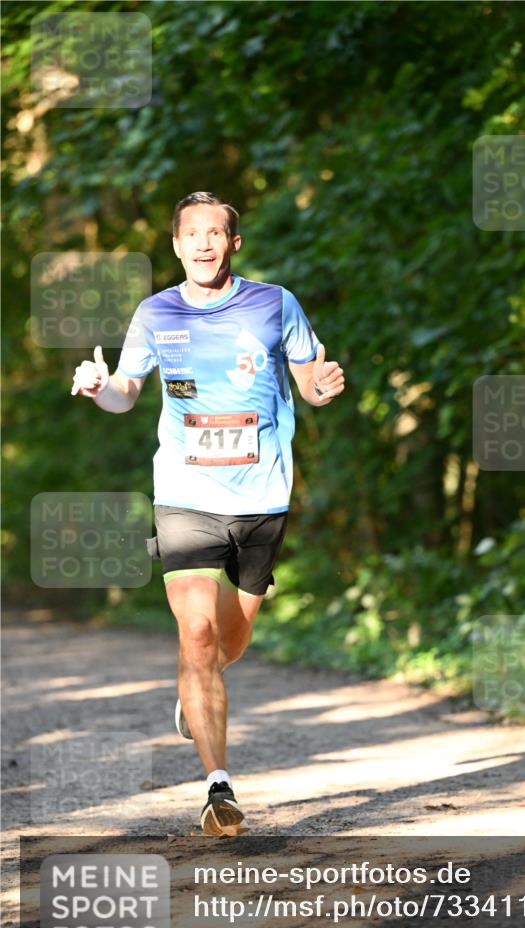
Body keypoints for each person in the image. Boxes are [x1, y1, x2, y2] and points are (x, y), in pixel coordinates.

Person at [71, 192, 345, 835]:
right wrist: (98, 387)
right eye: (190, 233)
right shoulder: (155, 311)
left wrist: (323, 387)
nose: (202, 242)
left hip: (262, 496)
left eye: (214, 233)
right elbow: (125, 393)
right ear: (175, 244)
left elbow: (308, 380)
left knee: (228, 643)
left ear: (233, 244)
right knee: (195, 633)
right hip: (185, 495)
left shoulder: (275, 303)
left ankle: (196, 689)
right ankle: (217, 786)